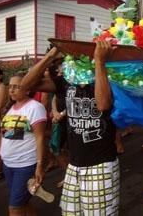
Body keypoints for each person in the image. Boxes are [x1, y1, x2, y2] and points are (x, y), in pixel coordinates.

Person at [21, 41, 120, 215]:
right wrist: (51, 54)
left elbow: (103, 104)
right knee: (70, 213)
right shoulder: (66, 81)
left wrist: (99, 61)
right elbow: (26, 85)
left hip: (101, 164)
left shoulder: (107, 76)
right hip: (74, 165)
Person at [0, 71, 46, 215]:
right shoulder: (10, 109)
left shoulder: (35, 107)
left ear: (28, 89)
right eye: (10, 86)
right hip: (9, 165)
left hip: (26, 165)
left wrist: (40, 166)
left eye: (17, 87)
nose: (11, 90)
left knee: (14, 208)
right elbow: (0, 139)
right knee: (23, 203)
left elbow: (40, 138)